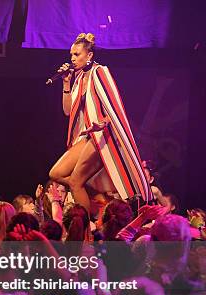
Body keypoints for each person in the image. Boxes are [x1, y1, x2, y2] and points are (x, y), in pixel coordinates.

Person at [48, 33, 153, 214]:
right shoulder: (79, 78)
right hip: (88, 136)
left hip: (103, 135)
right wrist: (66, 83)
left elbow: (114, 108)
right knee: (55, 174)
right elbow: (68, 111)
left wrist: (101, 124)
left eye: (77, 54)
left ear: (89, 55)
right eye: (71, 55)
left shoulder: (100, 72)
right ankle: (93, 194)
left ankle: (85, 229)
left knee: (75, 182)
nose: (72, 59)